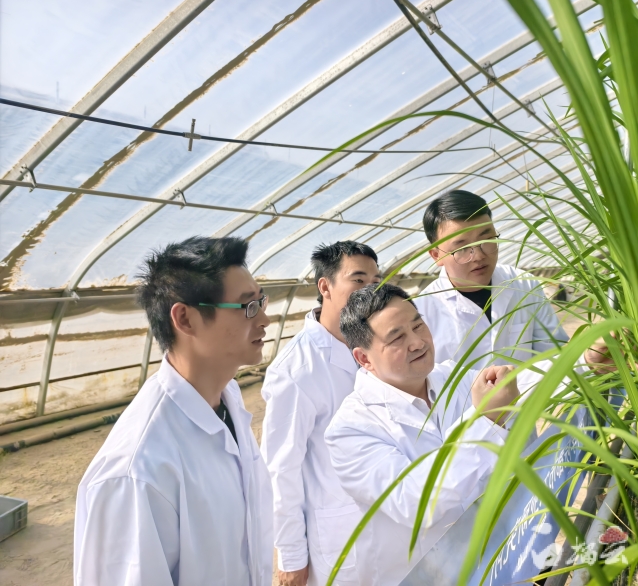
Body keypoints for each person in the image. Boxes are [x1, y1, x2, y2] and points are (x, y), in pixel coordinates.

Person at [74, 236, 273, 586]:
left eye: (261, 301)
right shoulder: (138, 470)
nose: (265, 319)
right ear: (185, 319)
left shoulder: (226, 398)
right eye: (247, 306)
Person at [325, 283, 553, 585]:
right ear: (364, 358)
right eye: (397, 337)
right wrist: (485, 420)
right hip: (431, 576)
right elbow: (418, 503)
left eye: (418, 325)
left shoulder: (450, 376)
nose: (417, 342)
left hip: (501, 554)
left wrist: (584, 361)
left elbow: (522, 382)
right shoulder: (350, 429)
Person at [261, 241, 382, 586]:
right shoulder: (296, 370)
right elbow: (280, 470)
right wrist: (291, 556)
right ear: (325, 287)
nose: (370, 291)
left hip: (388, 519)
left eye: (376, 282)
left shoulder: (376, 344)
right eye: (358, 280)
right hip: (340, 532)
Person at [414, 190, 569, 367]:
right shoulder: (422, 311)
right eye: (462, 248)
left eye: (487, 240)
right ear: (437, 255)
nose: (479, 256)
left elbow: (552, 352)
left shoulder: (523, 283)